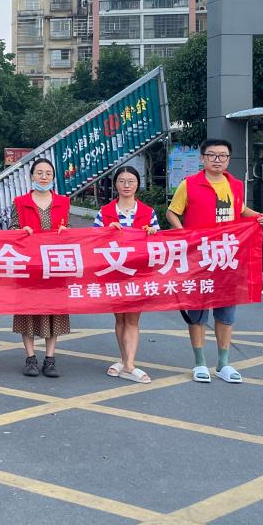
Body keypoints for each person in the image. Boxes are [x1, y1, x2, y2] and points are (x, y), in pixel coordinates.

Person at [167, 139, 263, 384]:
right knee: (197, 312)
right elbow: (172, 212)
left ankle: (223, 363)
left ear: (228, 159)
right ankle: (200, 363)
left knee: (226, 312)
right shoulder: (189, 184)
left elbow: (240, 209)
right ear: (202, 158)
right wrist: (184, 235)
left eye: (222, 155)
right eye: (212, 155)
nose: (217, 160)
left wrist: (259, 216)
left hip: (227, 259)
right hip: (199, 259)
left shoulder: (235, 185)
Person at [93, 165, 159, 385]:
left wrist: (153, 232)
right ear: (115, 185)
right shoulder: (105, 212)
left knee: (132, 318)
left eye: (131, 181)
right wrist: (105, 231)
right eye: (122, 181)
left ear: (138, 184)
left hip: (138, 274)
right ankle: (124, 361)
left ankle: (129, 364)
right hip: (114, 273)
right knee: (120, 318)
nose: (127, 185)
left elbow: (159, 243)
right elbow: (91, 241)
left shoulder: (148, 212)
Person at [10, 158, 70, 378]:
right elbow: (12, 229)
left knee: (54, 311)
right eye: (39, 173)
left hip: (55, 265)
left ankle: (50, 359)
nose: (44, 177)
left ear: (53, 177)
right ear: (32, 176)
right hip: (29, 265)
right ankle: (30, 357)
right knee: (28, 311)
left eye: (48, 173)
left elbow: (70, 229)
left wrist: (66, 231)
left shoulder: (64, 202)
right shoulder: (20, 202)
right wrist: (20, 231)